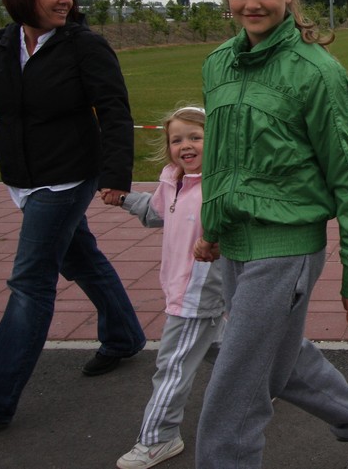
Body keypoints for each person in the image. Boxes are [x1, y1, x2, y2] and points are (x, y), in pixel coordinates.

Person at [191, 0, 348, 469]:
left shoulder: (317, 73)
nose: (251, 3)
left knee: (235, 389)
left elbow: (347, 177)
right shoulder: (217, 64)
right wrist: (211, 227)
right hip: (235, 244)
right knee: (274, 360)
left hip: (286, 249)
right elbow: (220, 159)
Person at [0, 0, 146, 428]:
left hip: (67, 177)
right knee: (80, 258)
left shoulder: (85, 46)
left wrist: (115, 177)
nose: (65, 0)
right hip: (21, 178)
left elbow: (114, 110)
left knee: (31, 281)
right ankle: (125, 336)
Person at [114, 106, 224, 469]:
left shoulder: (219, 186)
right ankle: (262, 381)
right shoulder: (173, 179)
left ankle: (160, 437)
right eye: (176, 140)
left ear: (217, 140)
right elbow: (156, 213)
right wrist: (123, 198)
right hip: (179, 285)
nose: (185, 145)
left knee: (172, 366)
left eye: (195, 137)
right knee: (221, 345)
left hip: (198, 292)